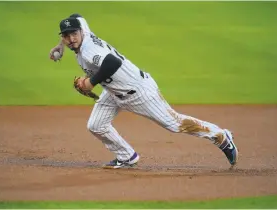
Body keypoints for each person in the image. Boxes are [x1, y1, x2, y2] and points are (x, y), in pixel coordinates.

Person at [50, 14, 238, 169]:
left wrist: (90, 83)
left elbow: (112, 63)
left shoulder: (89, 49)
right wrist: (61, 45)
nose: (71, 39)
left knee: (174, 123)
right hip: (114, 92)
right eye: (66, 36)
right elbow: (77, 17)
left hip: (138, 91)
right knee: (96, 125)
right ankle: (127, 157)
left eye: (73, 34)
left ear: (81, 32)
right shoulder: (84, 32)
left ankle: (220, 135)